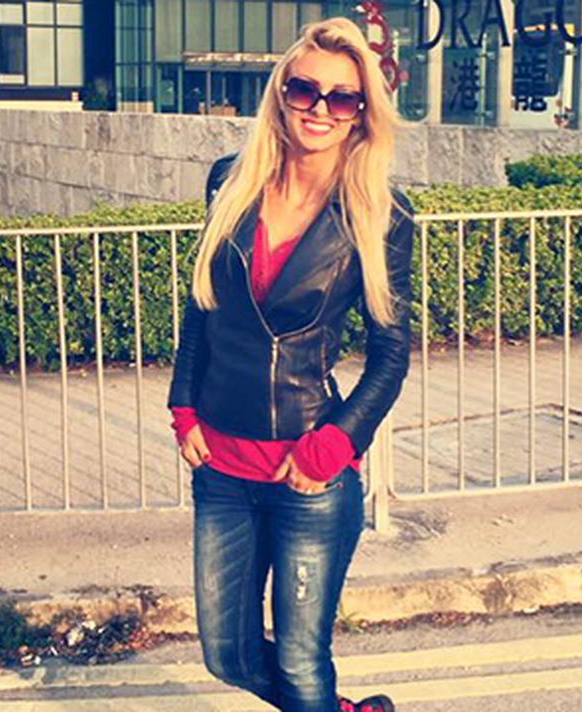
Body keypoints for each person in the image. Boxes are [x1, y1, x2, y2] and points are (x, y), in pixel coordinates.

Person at [167, 17, 414, 712]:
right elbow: (203, 304)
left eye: (342, 97)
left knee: (302, 664)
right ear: (281, 92)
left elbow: (391, 353)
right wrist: (183, 404)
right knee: (227, 656)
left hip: (307, 473)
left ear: (361, 112)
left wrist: (335, 444)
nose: (320, 108)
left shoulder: (380, 213)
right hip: (221, 471)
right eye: (305, 89)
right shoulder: (229, 181)